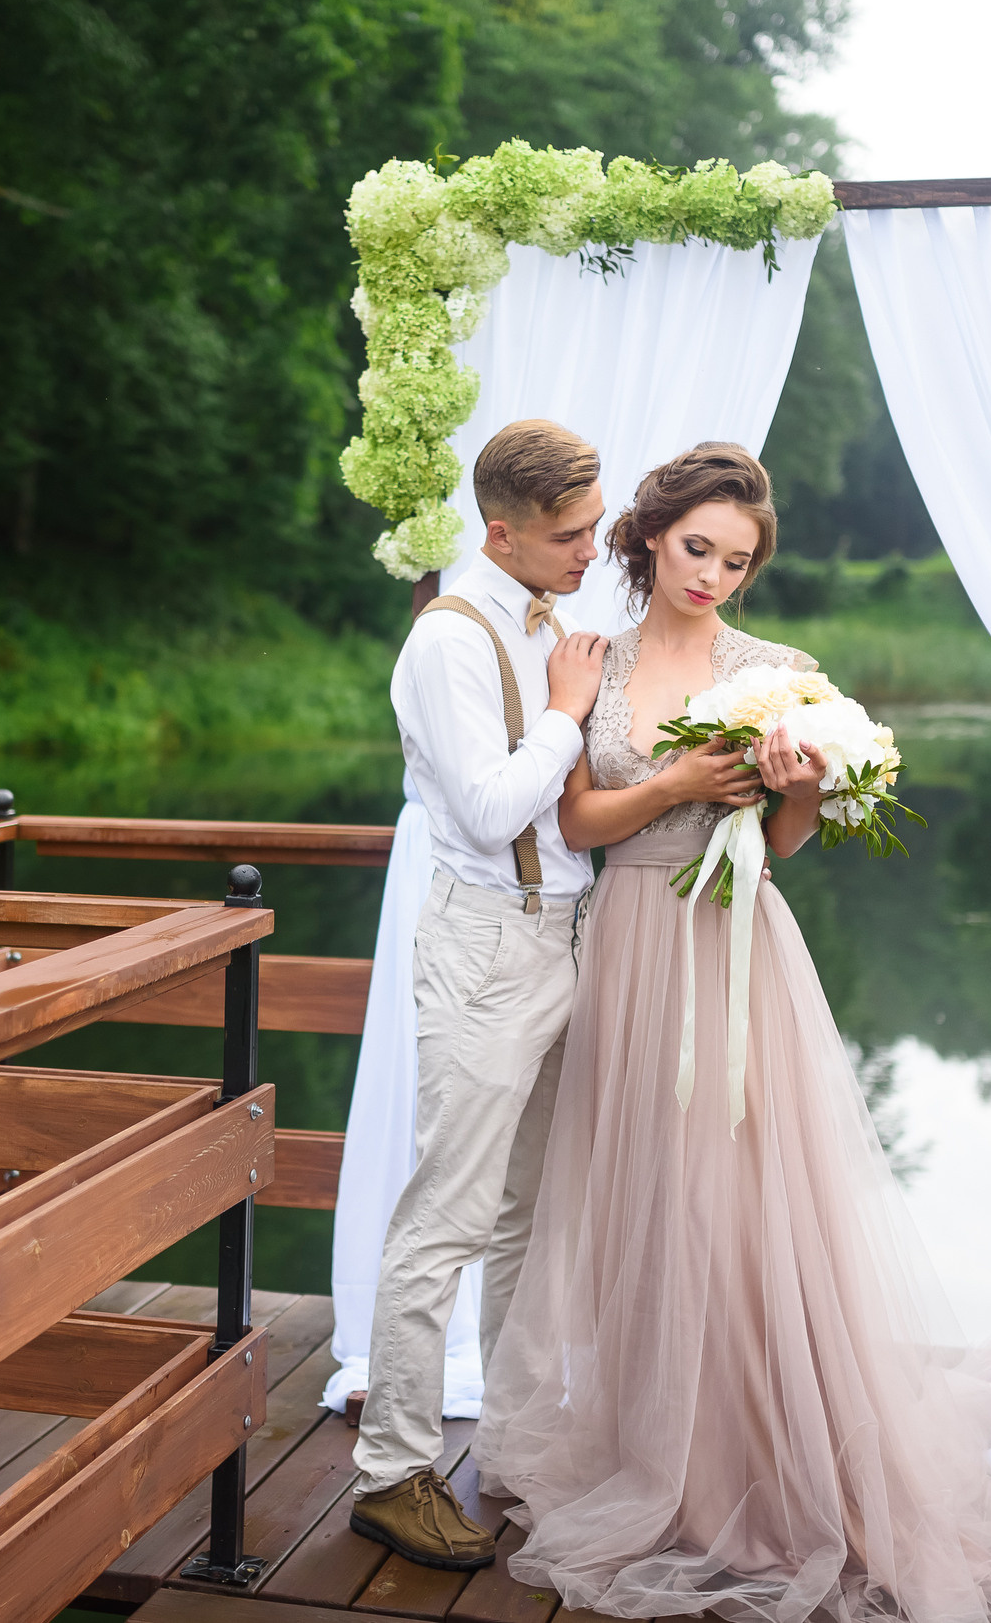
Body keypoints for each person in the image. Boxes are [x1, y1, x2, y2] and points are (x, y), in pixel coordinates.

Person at [476, 443, 991, 1622]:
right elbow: (578, 818)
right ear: (649, 536)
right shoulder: (591, 663)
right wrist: (676, 787)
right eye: (697, 547)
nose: (714, 573)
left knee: (747, 1195)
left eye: (738, 558)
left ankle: (762, 1454)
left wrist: (793, 785)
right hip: (628, 939)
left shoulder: (778, 672)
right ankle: (651, 1443)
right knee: (650, 1192)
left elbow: (790, 844)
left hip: (734, 941)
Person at [349, 418, 610, 1572]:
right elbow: (494, 808)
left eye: (595, 528)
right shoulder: (446, 642)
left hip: (564, 938)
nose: (589, 551)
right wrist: (565, 708)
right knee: (444, 1216)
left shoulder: (554, 618)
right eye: (569, 534)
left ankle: (509, 1442)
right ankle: (389, 1474)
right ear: (498, 531)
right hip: (482, 946)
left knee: (525, 1214)